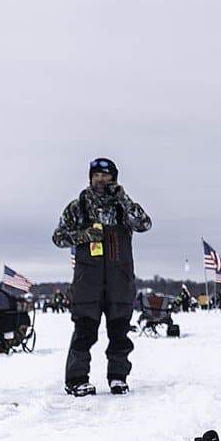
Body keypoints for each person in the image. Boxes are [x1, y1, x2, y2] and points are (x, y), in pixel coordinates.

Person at [51, 157, 151, 395]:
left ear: (114, 179)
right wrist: (83, 236)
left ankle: (118, 377)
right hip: (88, 283)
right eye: (96, 175)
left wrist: (123, 198)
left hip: (120, 282)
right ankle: (76, 379)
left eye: (105, 175)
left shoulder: (123, 209)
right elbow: (58, 238)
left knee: (120, 333)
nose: (100, 179)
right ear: (90, 177)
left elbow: (145, 223)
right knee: (84, 332)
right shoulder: (78, 207)